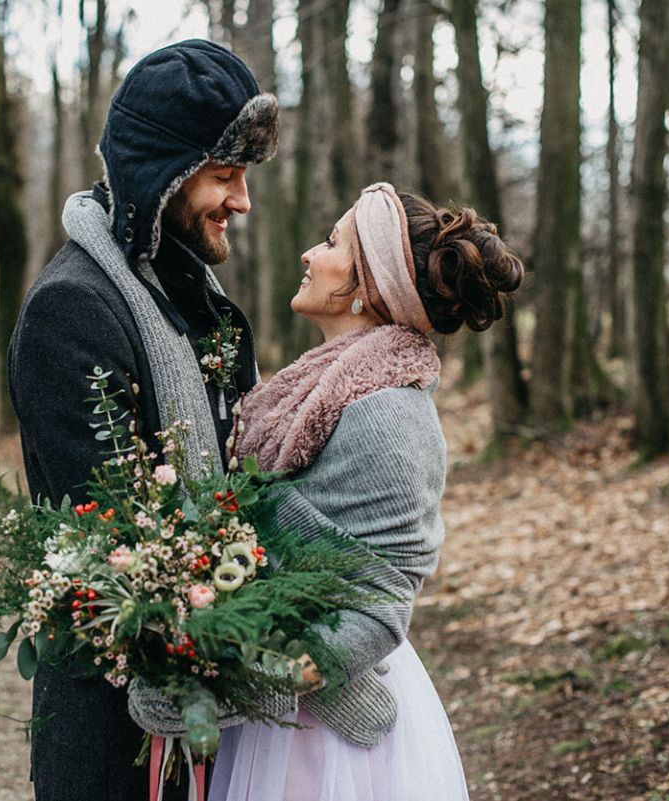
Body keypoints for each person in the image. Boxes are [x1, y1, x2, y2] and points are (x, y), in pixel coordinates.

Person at [8, 39, 279, 801]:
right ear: (162, 174)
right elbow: (118, 549)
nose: (242, 201)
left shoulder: (187, 292)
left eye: (244, 177)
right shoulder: (75, 309)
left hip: (216, 715)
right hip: (119, 739)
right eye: (224, 176)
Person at [211, 183, 524, 800]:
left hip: (322, 730)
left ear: (366, 289)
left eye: (331, 243)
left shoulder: (387, 414)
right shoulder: (328, 387)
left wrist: (233, 680)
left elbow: (382, 598)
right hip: (289, 697)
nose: (309, 252)